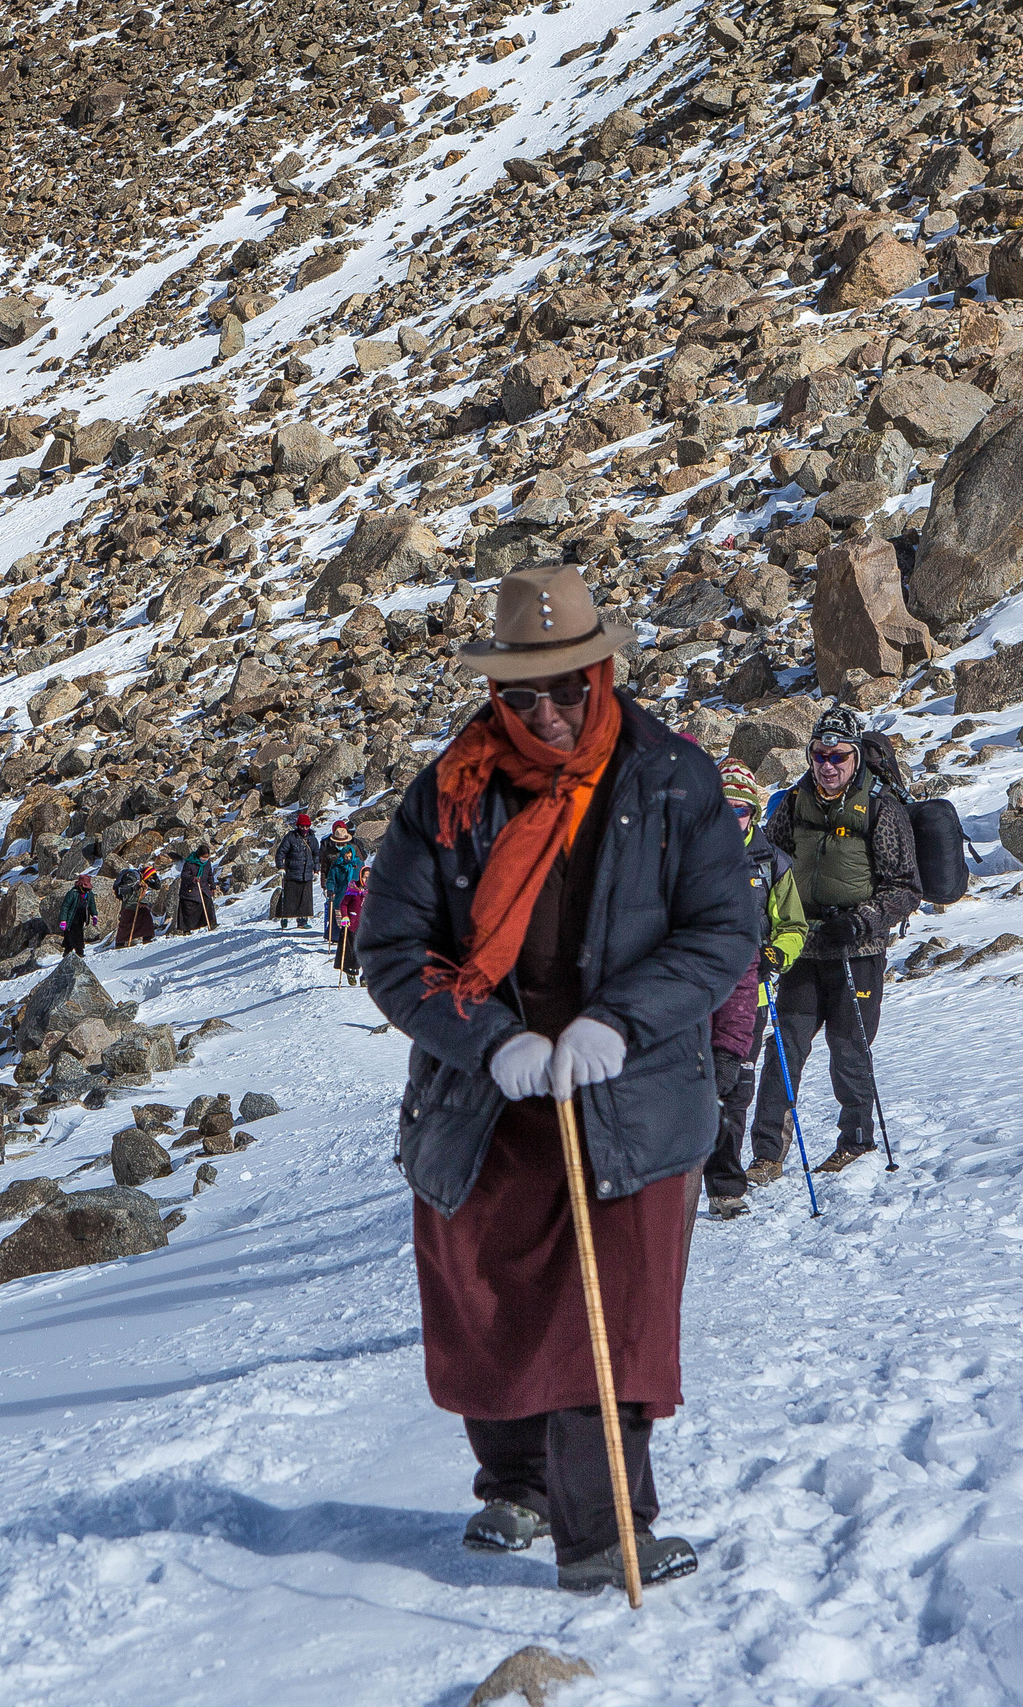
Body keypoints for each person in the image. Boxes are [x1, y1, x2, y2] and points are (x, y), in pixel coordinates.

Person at [359, 564, 758, 1596]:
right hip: (486, 1091)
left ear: (602, 671)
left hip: (628, 1092)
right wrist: (491, 1040)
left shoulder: (670, 778)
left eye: (568, 686)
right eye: (523, 693)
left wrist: (620, 1024)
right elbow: (394, 951)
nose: (546, 709)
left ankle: (605, 1533)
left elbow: (723, 929)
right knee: (488, 1302)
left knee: (607, 1317)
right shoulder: (447, 792)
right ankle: (516, 1482)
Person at [747, 708, 920, 1177]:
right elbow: (766, 864)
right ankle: (767, 1154)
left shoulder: (881, 808)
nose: (827, 765)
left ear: (855, 756)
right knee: (785, 1046)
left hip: (856, 951)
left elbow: (905, 887)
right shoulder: (793, 803)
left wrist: (863, 922)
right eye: (819, 755)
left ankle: (856, 1141)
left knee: (850, 1046)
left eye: (837, 756)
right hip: (802, 946)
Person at [703, 759, 808, 1219]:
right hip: (697, 994)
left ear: (754, 812)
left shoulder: (773, 863)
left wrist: (777, 954)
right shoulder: (689, 857)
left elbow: (794, 925)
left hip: (753, 995)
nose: (733, 818)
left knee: (736, 1089)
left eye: (741, 810)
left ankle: (725, 1186)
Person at [272, 811, 319, 930]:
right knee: (289, 898)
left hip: (306, 874)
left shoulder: (312, 839)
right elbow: (280, 852)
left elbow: (316, 856)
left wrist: (316, 870)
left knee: (305, 899)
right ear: (298, 826)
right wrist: (281, 867)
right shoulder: (291, 837)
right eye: (302, 826)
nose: (304, 828)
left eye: (307, 826)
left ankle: (302, 921)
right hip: (292, 872)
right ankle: (284, 917)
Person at [322, 820, 366, 947]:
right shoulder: (331, 856)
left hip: (354, 894)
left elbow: (362, 873)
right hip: (338, 891)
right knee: (338, 916)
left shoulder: (355, 853)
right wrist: (327, 887)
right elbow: (326, 871)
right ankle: (337, 938)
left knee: (353, 916)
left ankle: (352, 939)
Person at [114, 863, 163, 948]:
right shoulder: (132, 877)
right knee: (126, 924)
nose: (150, 879)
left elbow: (157, 887)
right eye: (150, 877)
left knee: (146, 917)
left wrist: (156, 877)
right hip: (129, 904)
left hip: (139, 902)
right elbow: (123, 890)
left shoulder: (144, 879)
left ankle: (147, 938)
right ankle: (120, 944)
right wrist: (136, 886)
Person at [173, 847, 218, 933]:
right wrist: (193, 879)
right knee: (189, 911)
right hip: (190, 890)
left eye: (207, 857)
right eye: (204, 857)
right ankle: (186, 929)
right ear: (199, 855)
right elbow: (184, 875)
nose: (205, 859)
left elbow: (210, 875)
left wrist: (212, 887)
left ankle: (211, 923)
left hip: (203, 888)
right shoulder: (189, 863)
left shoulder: (207, 863)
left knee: (208, 904)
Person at [334, 871, 368, 984]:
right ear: (360, 877)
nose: (367, 880)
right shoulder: (353, 890)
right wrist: (345, 916)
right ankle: (351, 972)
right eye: (365, 877)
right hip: (352, 924)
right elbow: (343, 904)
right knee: (352, 950)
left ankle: (365, 977)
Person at [56, 873, 98, 956]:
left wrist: (94, 915)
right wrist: (63, 920)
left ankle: (80, 952)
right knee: (69, 935)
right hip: (71, 917)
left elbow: (92, 905)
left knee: (79, 934)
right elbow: (65, 906)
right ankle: (68, 951)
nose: (87, 890)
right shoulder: (72, 893)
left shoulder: (89, 894)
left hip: (81, 917)